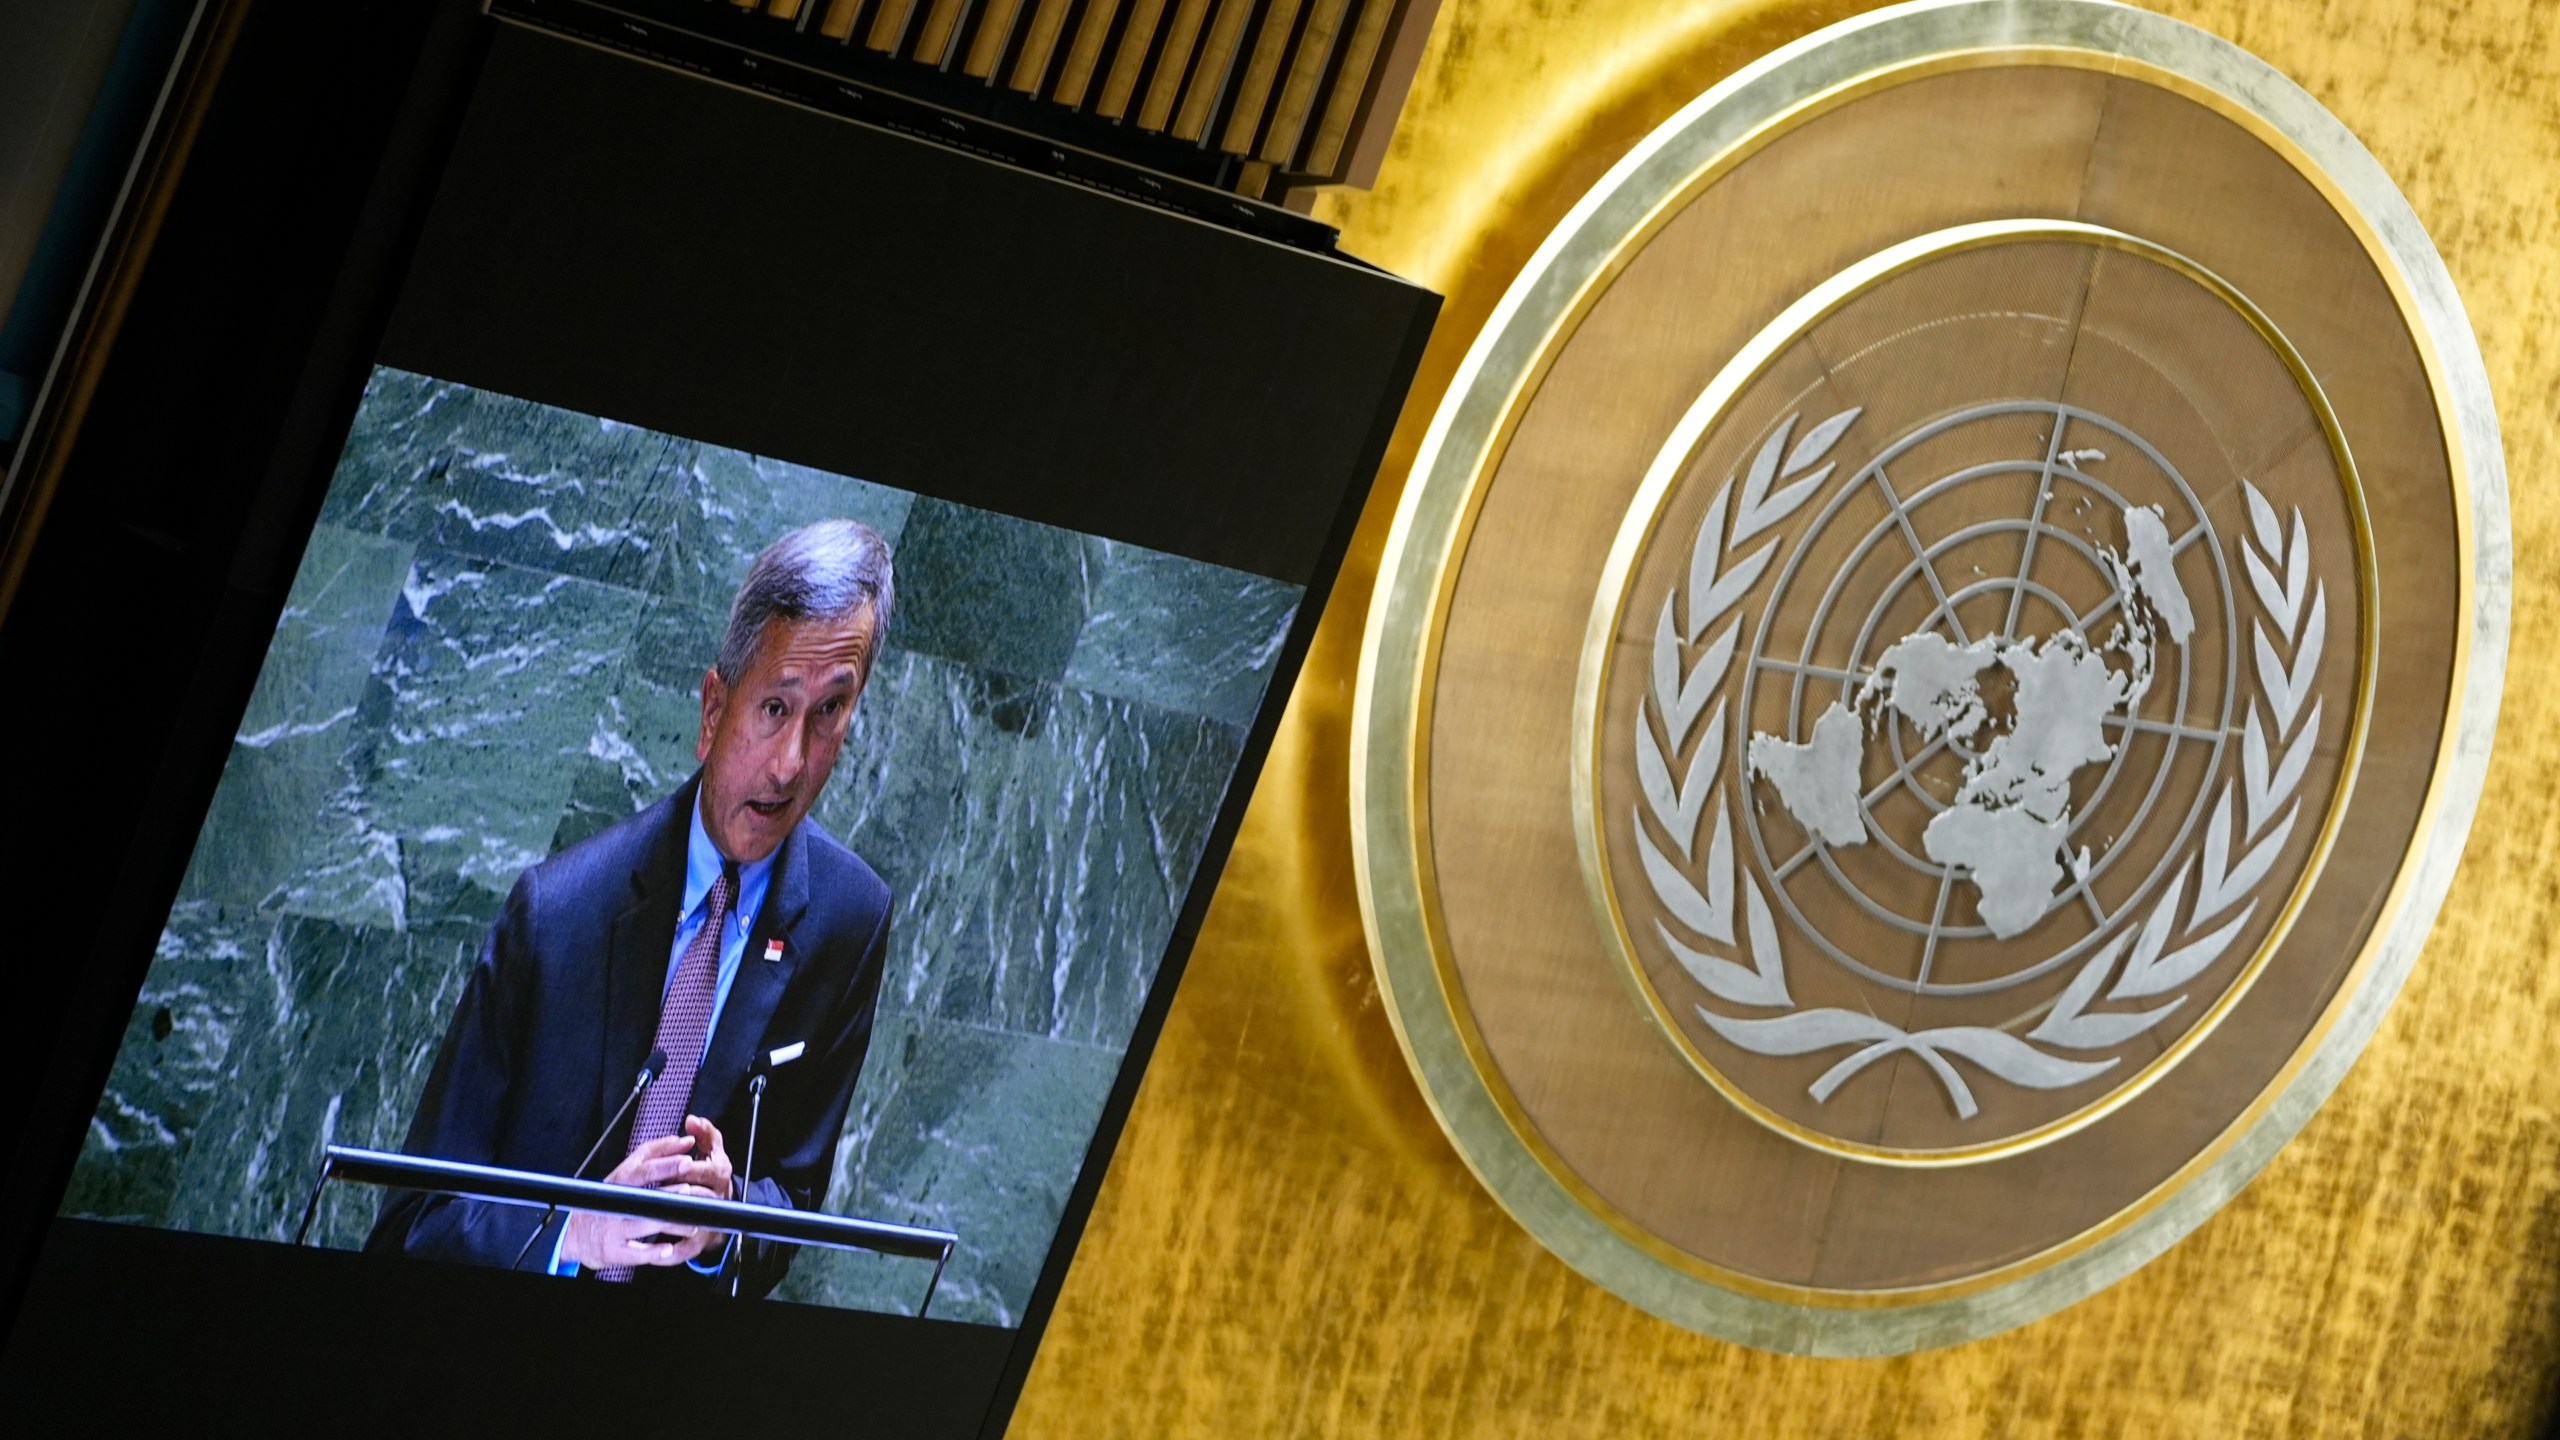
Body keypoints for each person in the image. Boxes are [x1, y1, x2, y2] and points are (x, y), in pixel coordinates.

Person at [367, 520, 896, 1297]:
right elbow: (415, 1219)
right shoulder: (556, 914)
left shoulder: (851, 920)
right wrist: (578, 1228)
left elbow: (795, 1198)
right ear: (714, 709)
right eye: (776, 708)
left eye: (829, 712)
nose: (790, 766)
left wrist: (728, 1218)